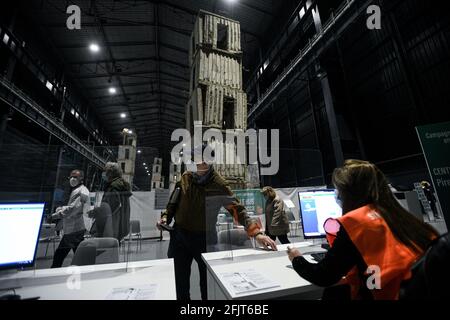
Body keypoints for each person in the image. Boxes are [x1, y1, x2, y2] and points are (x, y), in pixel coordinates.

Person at [287, 160, 438, 300]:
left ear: (348, 193)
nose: (337, 196)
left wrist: (296, 259)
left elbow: (323, 276)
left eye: (338, 191)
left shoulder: (355, 223)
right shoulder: (401, 217)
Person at [157, 144, 277, 300]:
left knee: (207, 285)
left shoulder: (219, 184)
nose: (200, 163)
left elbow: (237, 210)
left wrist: (256, 233)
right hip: (180, 237)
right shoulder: (186, 177)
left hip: (204, 239)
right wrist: (165, 217)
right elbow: (173, 202)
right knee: (180, 284)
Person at [51, 169, 90, 268]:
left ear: (81, 178)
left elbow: (73, 209)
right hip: (74, 228)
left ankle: (53, 272)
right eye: (71, 177)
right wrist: (62, 208)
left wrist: (54, 216)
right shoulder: (77, 190)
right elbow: (72, 207)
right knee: (77, 254)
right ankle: (85, 270)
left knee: (59, 255)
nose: (72, 179)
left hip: (74, 228)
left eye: (75, 177)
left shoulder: (82, 191)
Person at [101, 162, 132, 242]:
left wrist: (97, 212)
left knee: (108, 252)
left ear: (110, 173)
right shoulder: (121, 186)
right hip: (120, 226)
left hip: (111, 228)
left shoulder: (113, 187)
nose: (104, 173)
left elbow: (109, 209)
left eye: (106, 171)